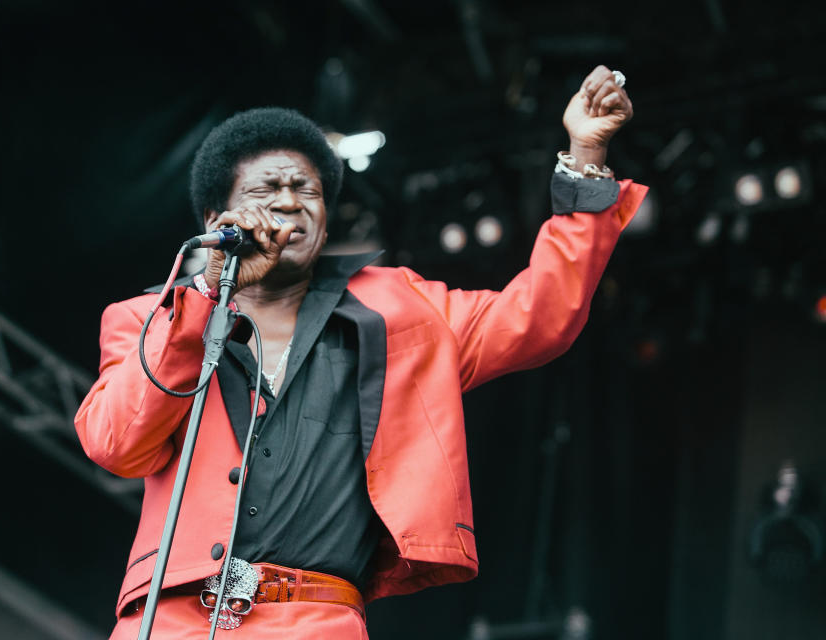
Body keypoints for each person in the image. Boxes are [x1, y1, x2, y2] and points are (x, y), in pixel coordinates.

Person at [75, 65, 647, 639]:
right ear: (214, 219)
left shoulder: (401, 309)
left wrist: (585, 156)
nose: (290, 203)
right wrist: (202, 300)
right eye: (265, 190)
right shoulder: (149, 319)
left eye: (307, 191)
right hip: (170, 620)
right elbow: (116, 445)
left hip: (317, 622)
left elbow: (541, 316)